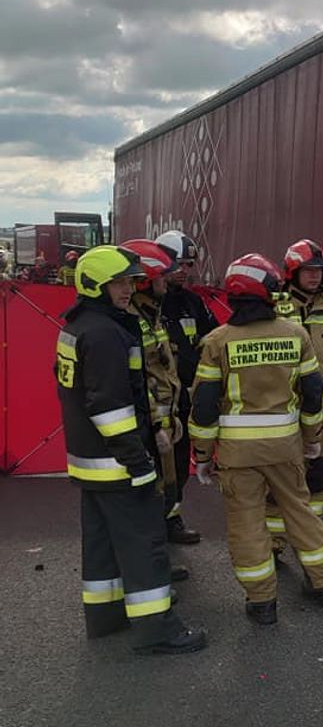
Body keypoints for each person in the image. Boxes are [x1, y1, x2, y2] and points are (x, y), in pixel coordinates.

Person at [56, 245, 206, 654]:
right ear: (96, 286)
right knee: (145, 545)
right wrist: (138, 462)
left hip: (91, 462)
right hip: (118, 463)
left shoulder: (80, 326)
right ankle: (158, 630)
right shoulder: (106, 335)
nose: (128, 289)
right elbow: (110, 408)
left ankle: (105, 617)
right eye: (119, 282)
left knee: (102, 544)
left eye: (129, 281)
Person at [189, 253, 323, 624]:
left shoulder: (216, 342)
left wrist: (203, 456)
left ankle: (262, 603)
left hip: (238, 458)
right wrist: (312, 437)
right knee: (301, 512)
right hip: (286, 449)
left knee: (246, 524)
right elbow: (313, 392)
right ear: (269, 293)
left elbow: (204, 406)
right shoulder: (295, 334)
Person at [269, 239, 323, 538]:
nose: (315, 276)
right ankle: (277, 538)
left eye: (319, 270)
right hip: (286, 407)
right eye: (308, 270)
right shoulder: (274, 308)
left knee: (319, 474)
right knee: (284, 473)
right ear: (292, 272)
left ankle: (311, 530)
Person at [120, 239, 190, 584]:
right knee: (148, 501)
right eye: (163, 275)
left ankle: (156, 563)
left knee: (164, 494)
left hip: (163, 419)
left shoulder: (150, 314)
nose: (169, 280)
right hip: (149, 426)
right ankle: (150, 573)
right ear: (147, 280)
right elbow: (137, 380)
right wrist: (156, 423)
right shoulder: (132, 321)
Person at [155, 229, 218, 544]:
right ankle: (152, 528)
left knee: (179, 466)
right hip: (156, 405)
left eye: (189, 265)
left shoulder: (194, 303)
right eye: (178, 263)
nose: (184, 271)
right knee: (155, 469)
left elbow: (216, 336)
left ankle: (171, 520)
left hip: (185, 401)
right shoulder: (149, 303)